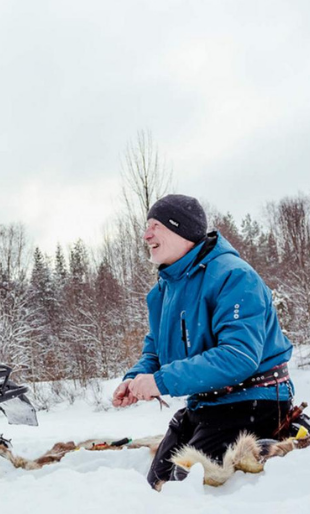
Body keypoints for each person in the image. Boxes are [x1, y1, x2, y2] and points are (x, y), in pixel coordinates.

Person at [111, 194, 295, 489]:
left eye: (155, 225)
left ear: (181, 229)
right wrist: (136, 379)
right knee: (154, 487)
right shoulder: (162, 292)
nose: (146, 235)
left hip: (252, 402)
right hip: (204, 406)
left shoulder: (233, 276)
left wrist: (162, 381)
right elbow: (155, 352)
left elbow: (239, 356)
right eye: (147, 226)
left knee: (184, 491)